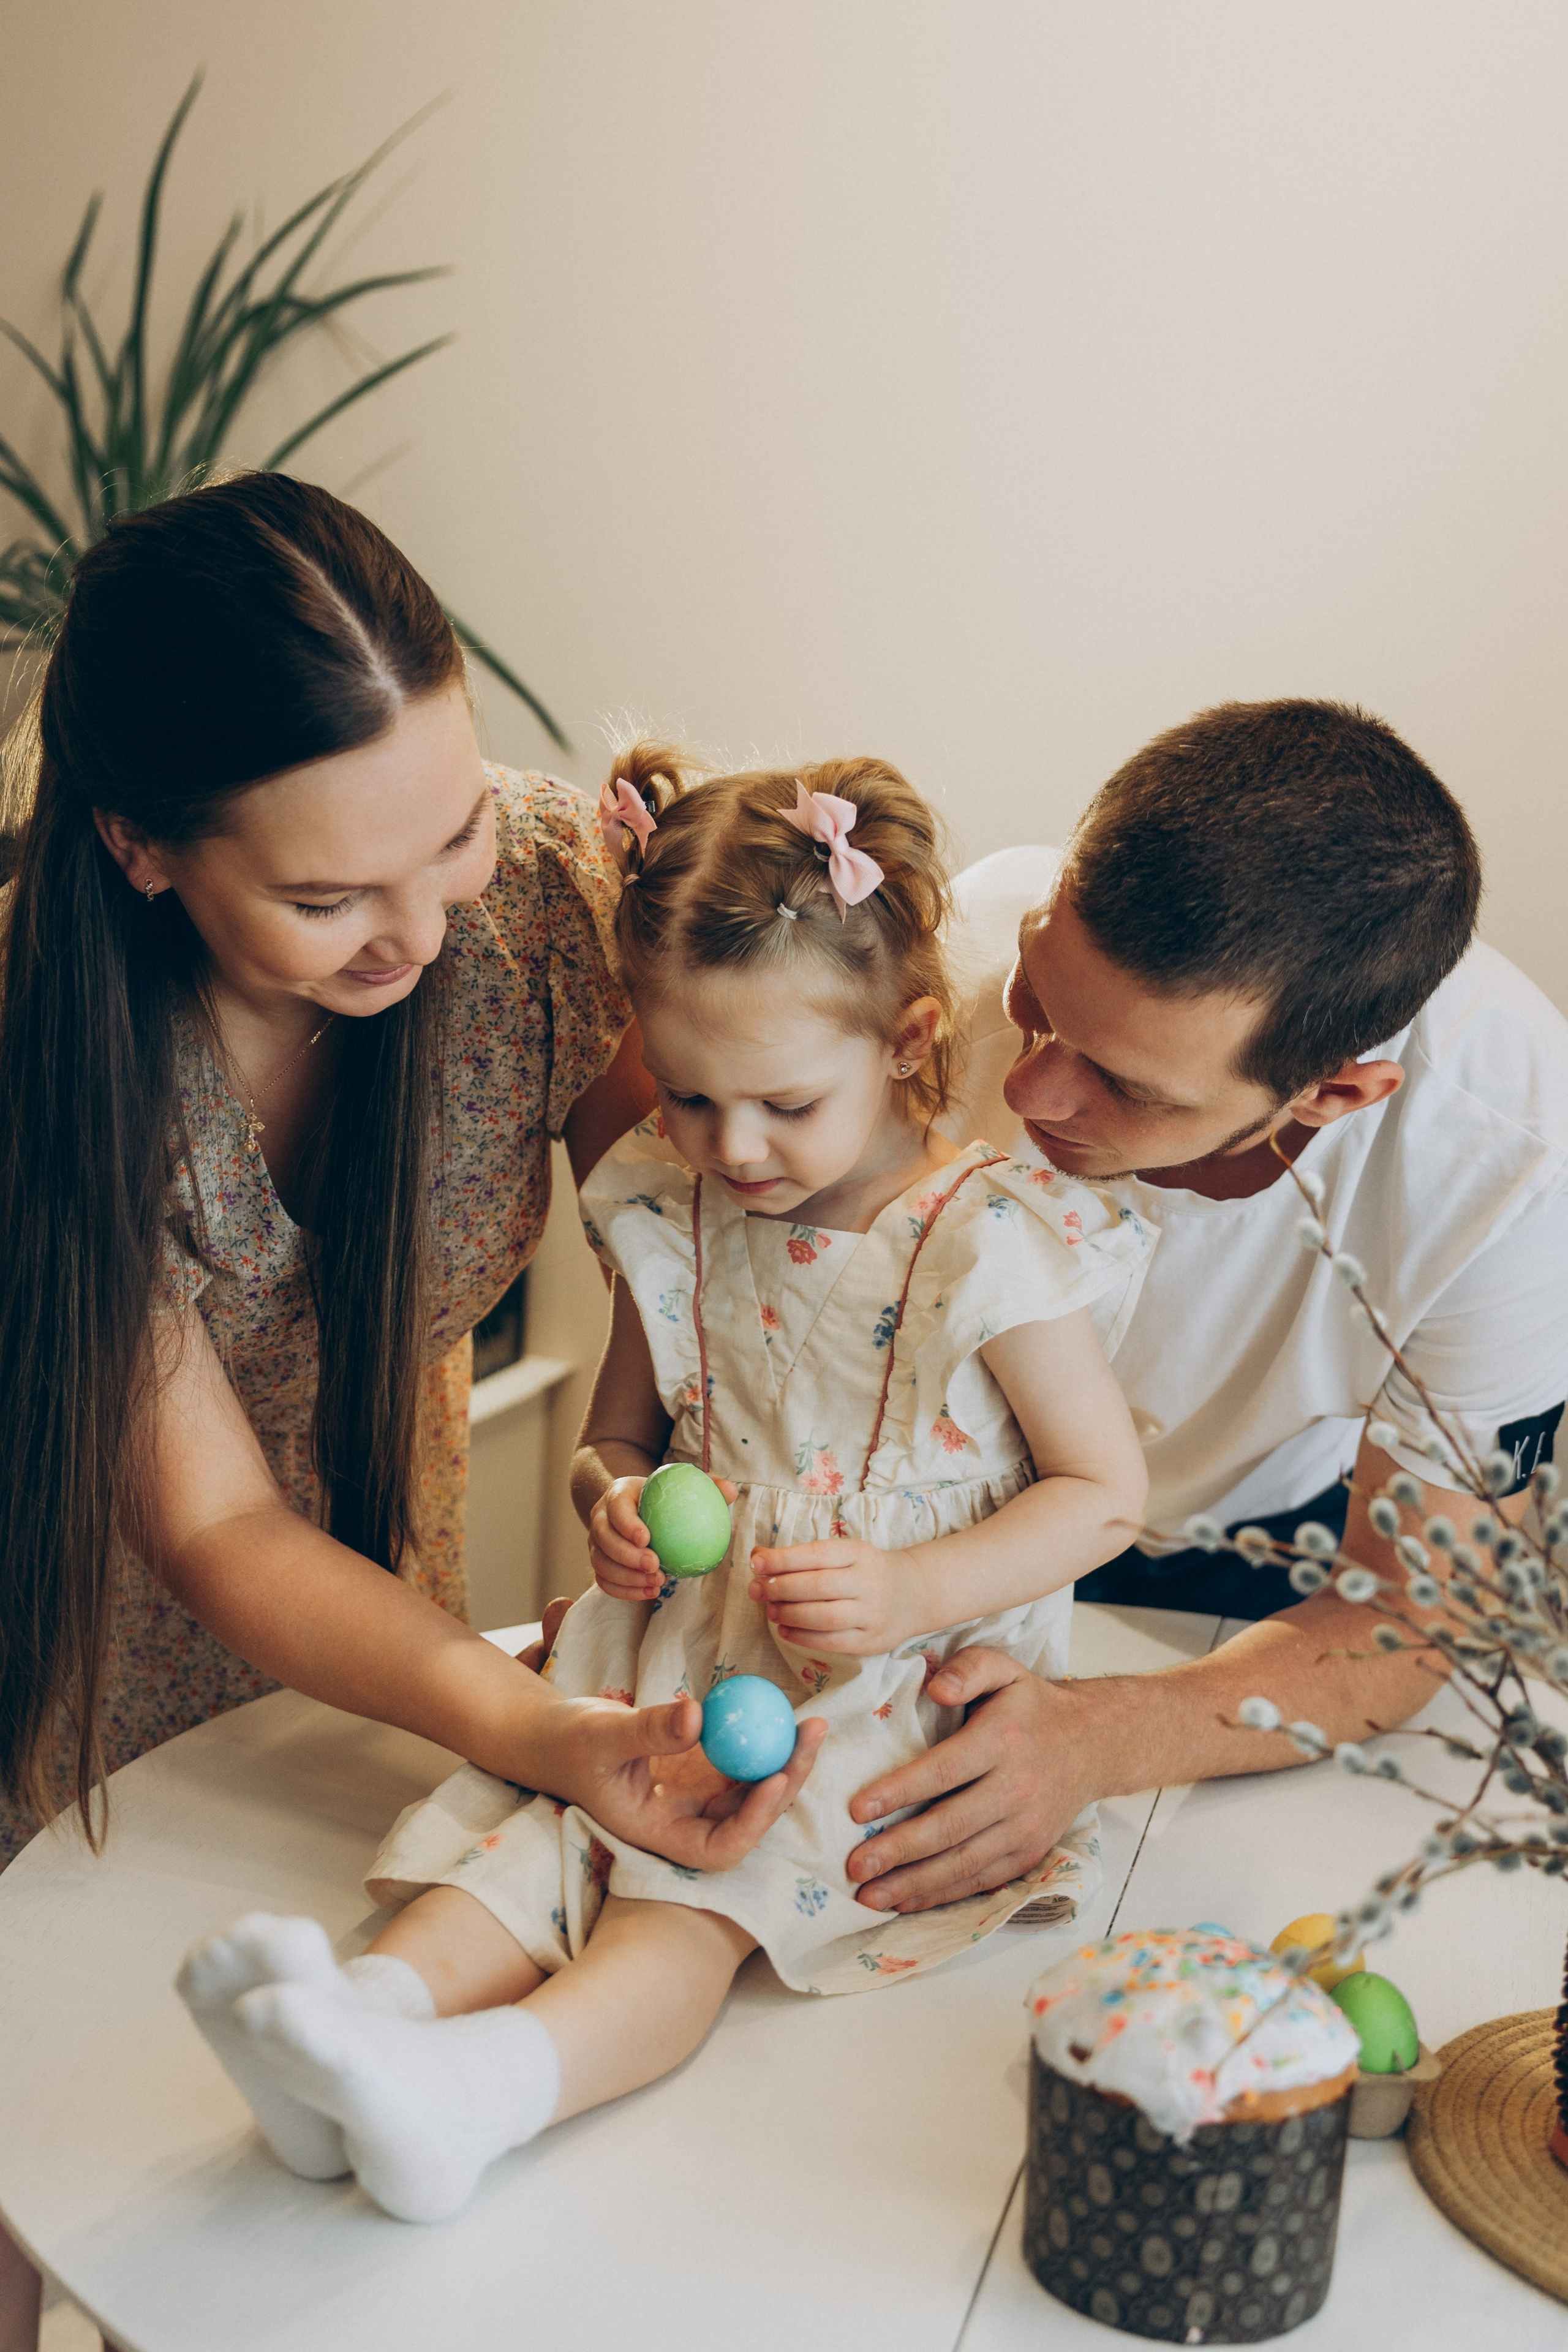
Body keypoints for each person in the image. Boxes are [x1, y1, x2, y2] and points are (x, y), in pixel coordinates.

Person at [0, 483, 816, 2345]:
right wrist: (537, 1721)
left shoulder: (536, 895)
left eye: (441, 833)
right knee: (56, 2130)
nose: (418, 928)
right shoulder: (36, 1056)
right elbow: (208, 1525)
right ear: (140, 848)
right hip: (56, 1618)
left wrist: (649, 1482)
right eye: (321, 895)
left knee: (291, 2142)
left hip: (372, 1588)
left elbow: (688, 1263)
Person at [174, 745, 1151, 2223]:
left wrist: (909, 1589)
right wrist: (611, 1506)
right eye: (689, 1098)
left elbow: (1099, 1494)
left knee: (684, 1901)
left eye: (777, 1105)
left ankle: (485, 2093)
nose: (728, 1147)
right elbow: (622, 1432)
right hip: (688, 1641)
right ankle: (351, 2034)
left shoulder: (985, 1241)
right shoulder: (667, 1205)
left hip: (880, 1681)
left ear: (903, 1037)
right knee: (534, 1835)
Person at [842, 698, 1568, 1918]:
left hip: (1255, 1578)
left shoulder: (1507, 1165)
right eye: (1036, 994)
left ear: (1337, 1093)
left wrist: (1095, 1740)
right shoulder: (950, 944)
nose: (1025, 1089)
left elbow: (1405, 1615)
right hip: (935, 1514)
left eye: (1122, 1083)